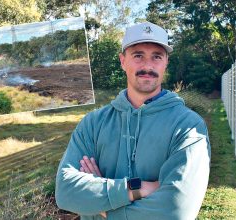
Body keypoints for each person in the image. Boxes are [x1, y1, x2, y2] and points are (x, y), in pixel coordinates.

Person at [55, 21, 211, 220]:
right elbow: (66, 192)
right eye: (138, 55)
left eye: (156, 56)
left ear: (166, 63)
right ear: (122, 61)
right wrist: (137, 188)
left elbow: (176, 211)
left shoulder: (188, 127)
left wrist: (100, 203)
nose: (147, 66)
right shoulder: (93, 123)